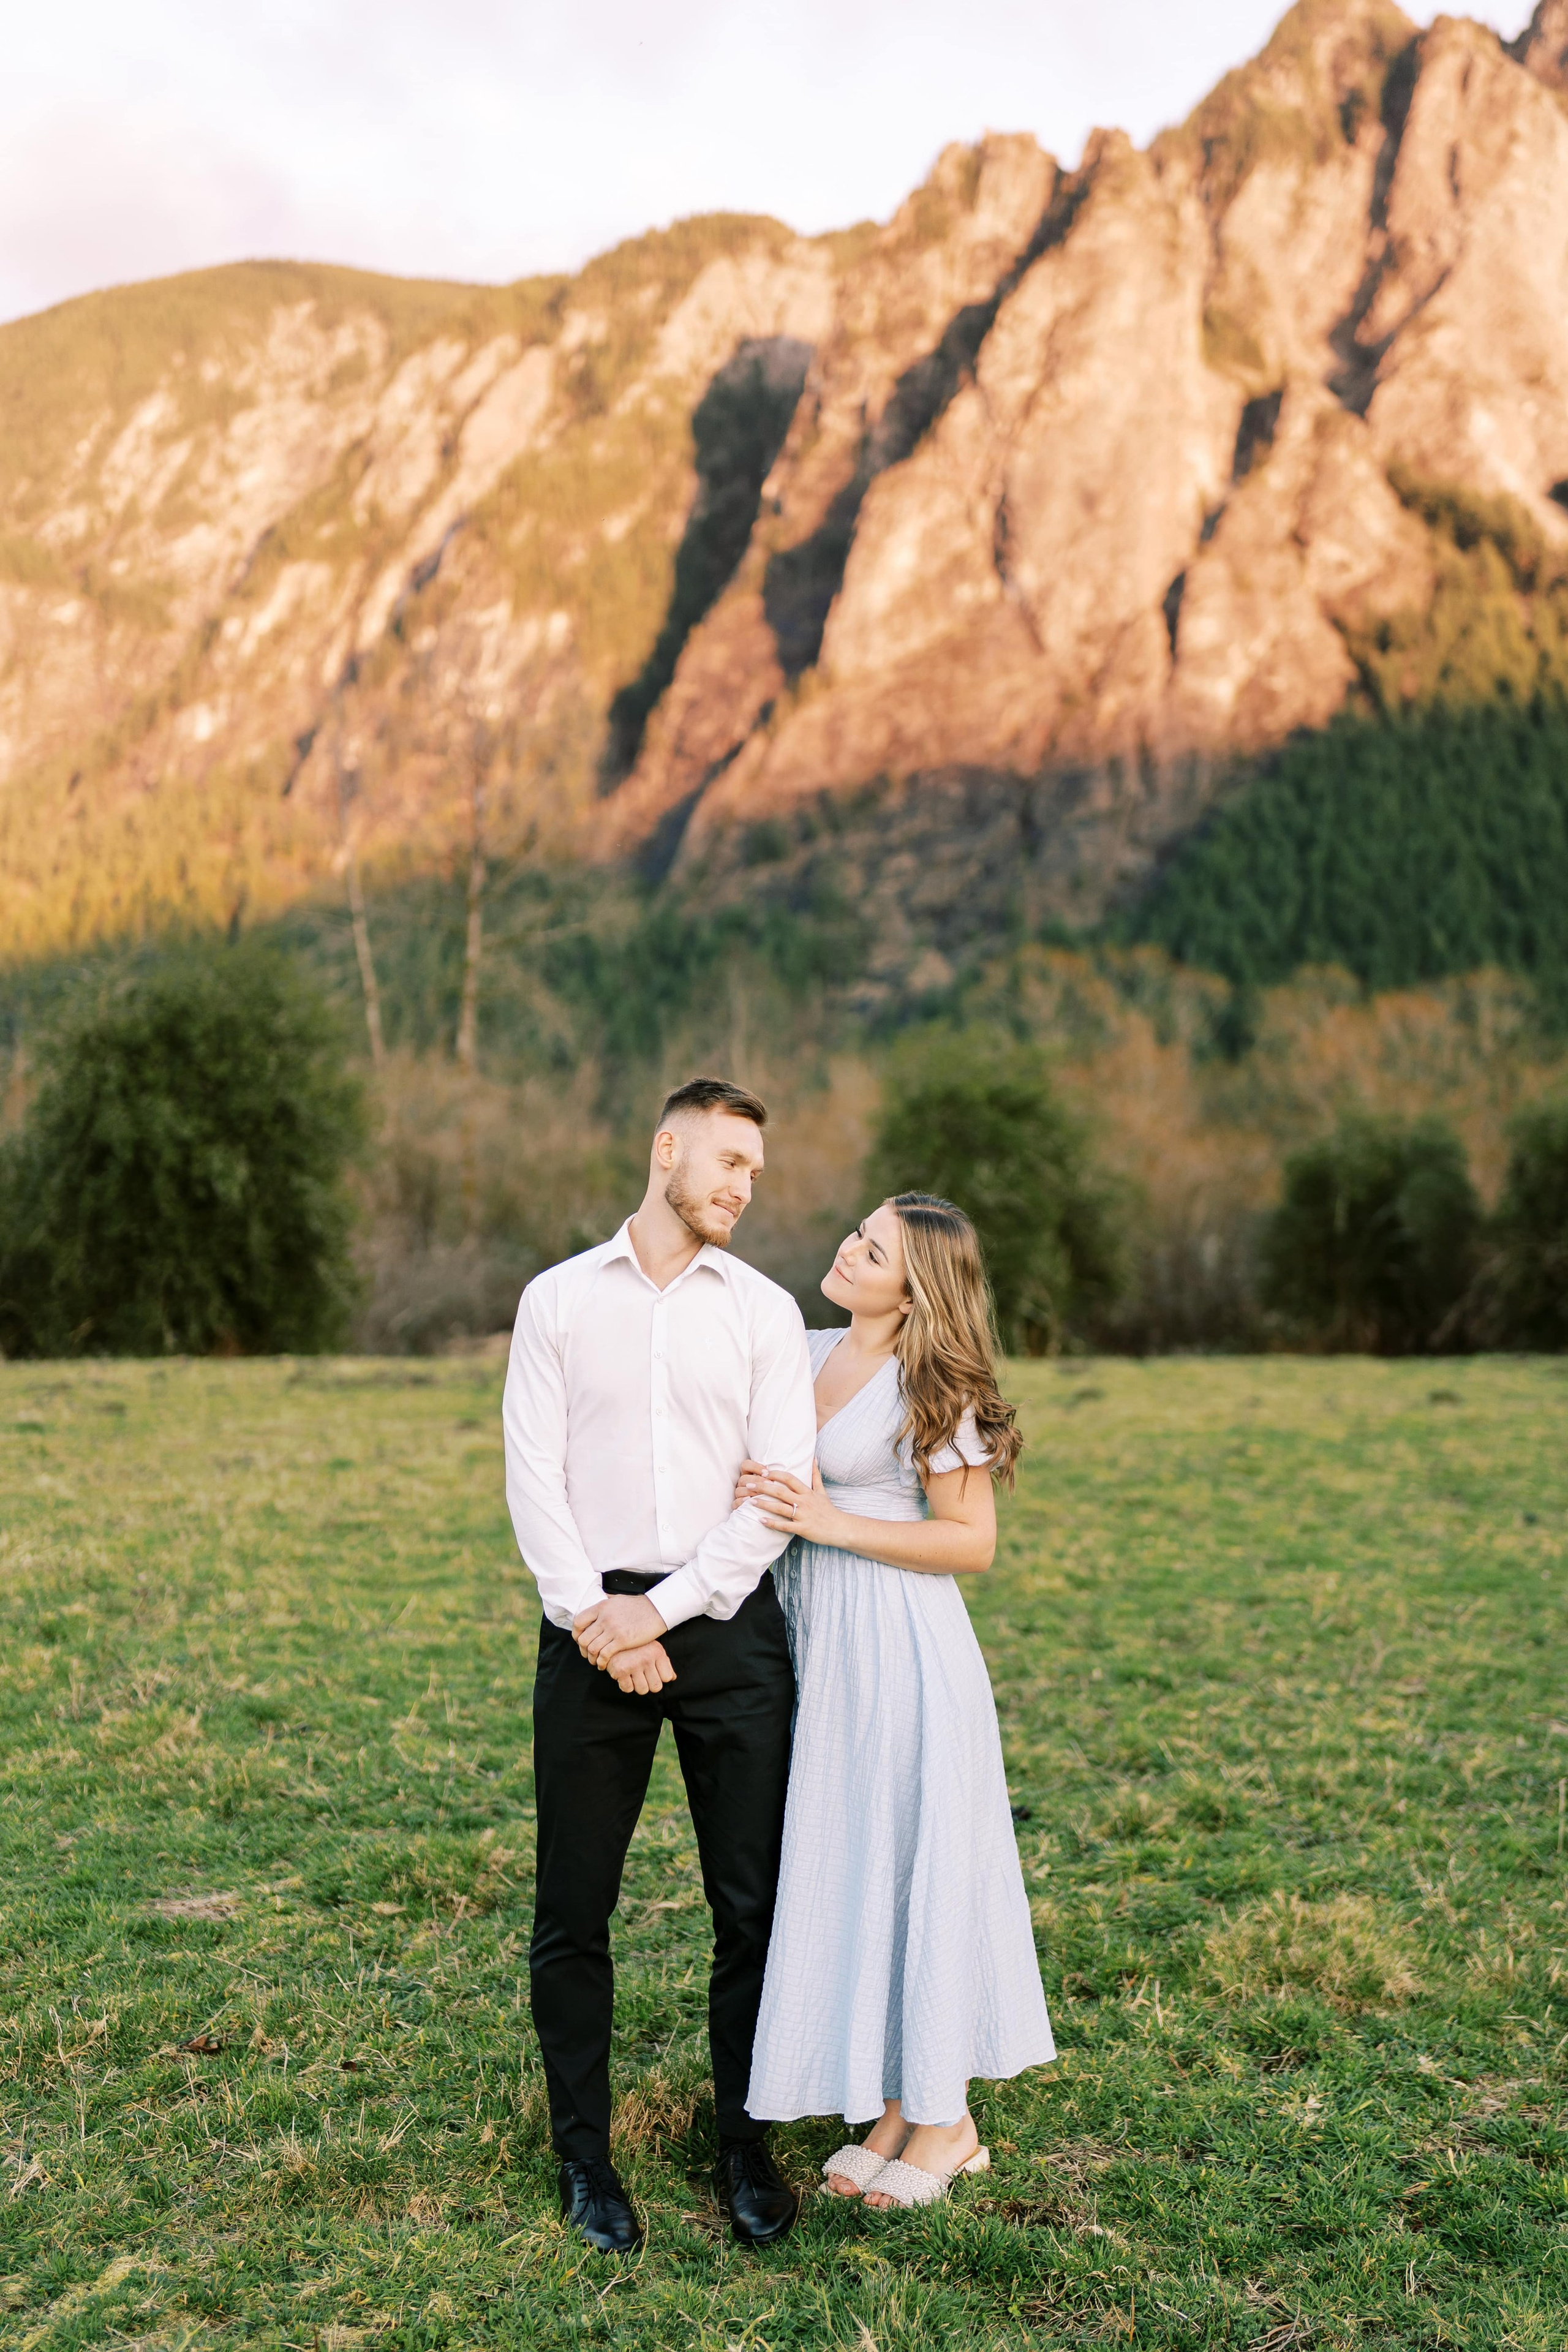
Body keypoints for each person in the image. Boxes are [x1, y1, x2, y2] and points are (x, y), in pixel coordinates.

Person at [502, 1077, 816, 2256]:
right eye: (728, 1162)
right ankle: (587, 2160)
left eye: (756, 1173)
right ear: (667, 1149)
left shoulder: (765, 1311)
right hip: (587, 1627)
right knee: (574, 1911)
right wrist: (597, 1617)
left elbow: (776, 1495)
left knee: (752, 1905)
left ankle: (746, 2142)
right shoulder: (557, 1301)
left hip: (727, 1629)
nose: (742, 1188)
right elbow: (533, 1477)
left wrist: (664, 1616)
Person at [741, 1192, 1055, 2208]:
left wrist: (830, 1522)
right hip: (818, 1644)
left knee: (914, 1858)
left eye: (872, 1249)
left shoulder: (937, 1383)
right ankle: (898, 2105)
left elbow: (973, 1542)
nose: (848, 1247)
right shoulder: (806, 1345)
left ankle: (948, 2119)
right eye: (857, 1231)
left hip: (901, 1650)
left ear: (914, 1286)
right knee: (857, 1858)